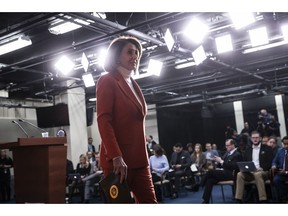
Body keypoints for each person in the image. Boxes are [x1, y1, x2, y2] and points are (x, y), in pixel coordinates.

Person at [96, 36, 157, 203]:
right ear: (116, 56)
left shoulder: (133, 84)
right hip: (118, 163)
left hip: (140, 160)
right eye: (129, 52)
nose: (135, 56)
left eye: (137, 53)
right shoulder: (107, 80)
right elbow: (104, 121)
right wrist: (116, 156)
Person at [234, 131, 273, 203]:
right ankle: (238, 198)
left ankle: (262, 199)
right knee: (239, 174)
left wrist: (261, 168)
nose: (255, 139)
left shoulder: (267, 148)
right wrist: (245, 168)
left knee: (258, 174)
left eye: (257, 137)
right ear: (251, 139)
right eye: (253, 138)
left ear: (260, 138)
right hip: (251, 172)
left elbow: (270, 162)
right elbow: (245, 162)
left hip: (263, 172)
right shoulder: (248, 150)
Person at [201, 139, 242, 204]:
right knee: (210, 180)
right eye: (226, 145)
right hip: (224, 173)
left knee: (211, 172)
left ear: (233, 145)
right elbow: (222, 164)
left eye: (228, 145)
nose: (226, 147)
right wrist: (217, 162)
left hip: (232, 174)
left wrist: (221, 161)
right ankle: (206, 201)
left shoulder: (237, 154)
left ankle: (198, 185)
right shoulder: (226, 154)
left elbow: (234, 167)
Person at [271, 136, 288, 203]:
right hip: (282, 173)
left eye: (287, 144)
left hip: (286, 172)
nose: (286, 146)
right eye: (284, 144)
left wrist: (286, 172)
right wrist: (274, 165)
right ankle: (284, 198)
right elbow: (274, 161)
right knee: (276, 180)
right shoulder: (280, 151)